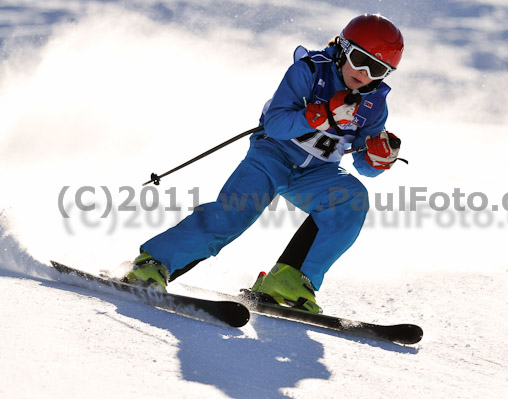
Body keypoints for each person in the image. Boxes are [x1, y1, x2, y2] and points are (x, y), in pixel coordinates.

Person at [124, 14, 405, 314]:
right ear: (343, 48)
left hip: (315, 173)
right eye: (360, 59)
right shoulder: (309, 71)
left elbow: (364, 164)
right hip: (272, 155)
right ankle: (154, 264)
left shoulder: (374, 104)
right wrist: (322, 114)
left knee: (351, 198)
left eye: (377, 69)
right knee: (235, 214)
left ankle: (290, 280)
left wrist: (378, 158)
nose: (364, 73)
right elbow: (275, 124)